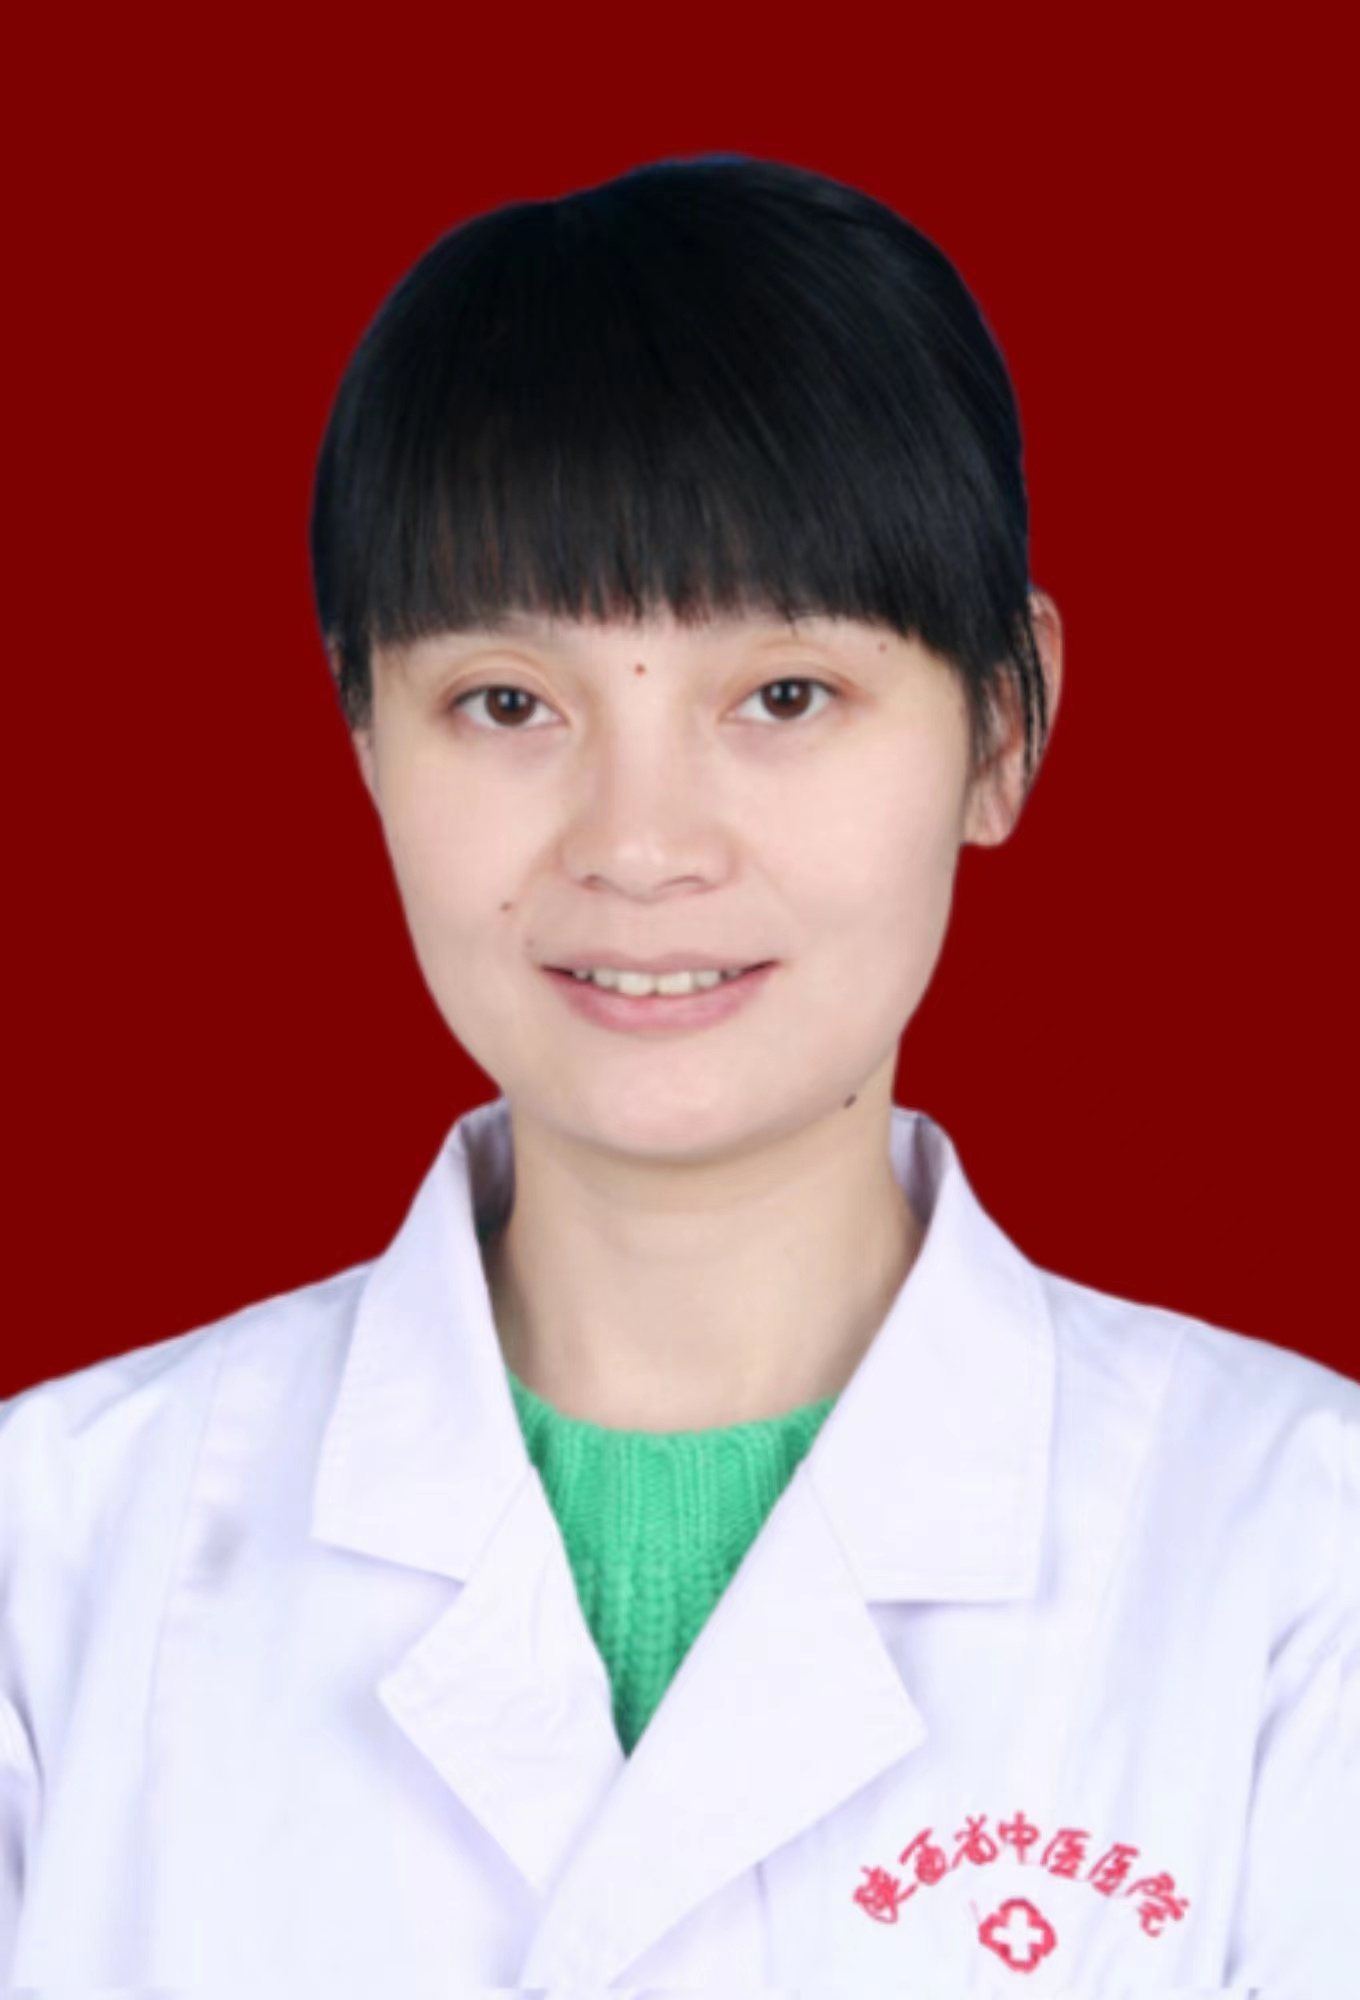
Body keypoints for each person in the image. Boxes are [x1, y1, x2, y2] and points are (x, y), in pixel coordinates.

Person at [1, 153, 1355, 1994]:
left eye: (783, 695)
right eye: (507, 702)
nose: (638, 846)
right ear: (365, 735)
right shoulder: (53, 1562)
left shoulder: (1302, 1569)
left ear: (1003, 725)